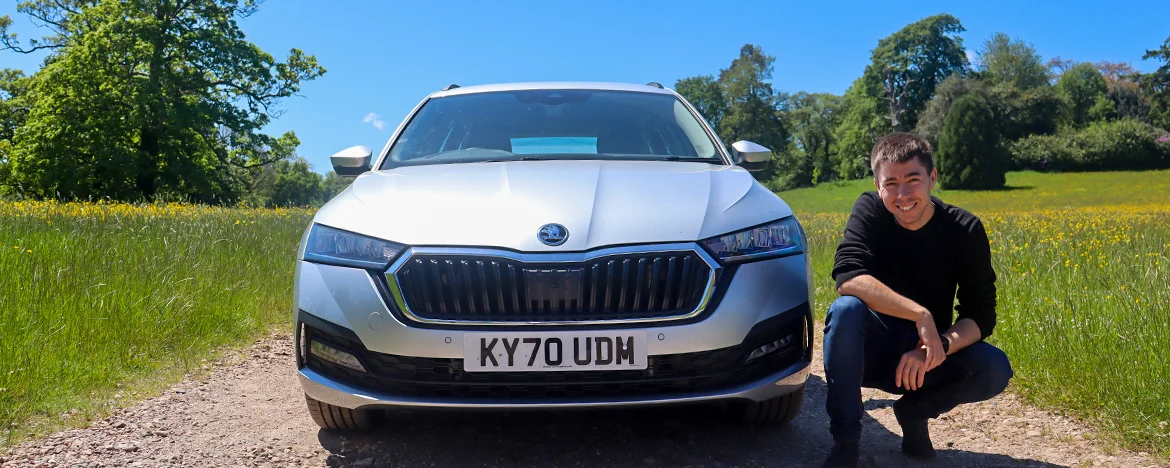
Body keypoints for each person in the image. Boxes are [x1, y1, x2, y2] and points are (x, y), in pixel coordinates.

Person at [821, 133, 1014, 468]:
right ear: (877, 185)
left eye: (913, 180)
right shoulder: (870, 209)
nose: (903, 194)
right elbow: (848, 277)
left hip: (928, 358)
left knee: (994, 368)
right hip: (873, 352)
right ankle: (846, 443)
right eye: (891, 183)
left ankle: (913, 411)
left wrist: (936, 344)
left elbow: (980, 316)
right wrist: (919, 314)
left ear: (932, 178)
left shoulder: (964, 228)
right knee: (845, 310)